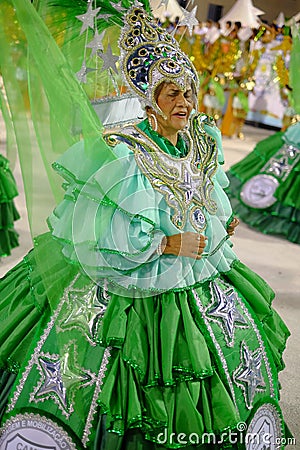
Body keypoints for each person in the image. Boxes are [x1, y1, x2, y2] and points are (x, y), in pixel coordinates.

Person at [0, 3, 291, 450]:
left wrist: (220, 219)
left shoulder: (201, 139)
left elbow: (207, 192)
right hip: (132, 277)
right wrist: (165, 241)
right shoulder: (122, 153)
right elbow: (97, 228)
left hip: (199, 271)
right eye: (170, 93)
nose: (184, 103)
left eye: (188, 93)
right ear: (148, 98)